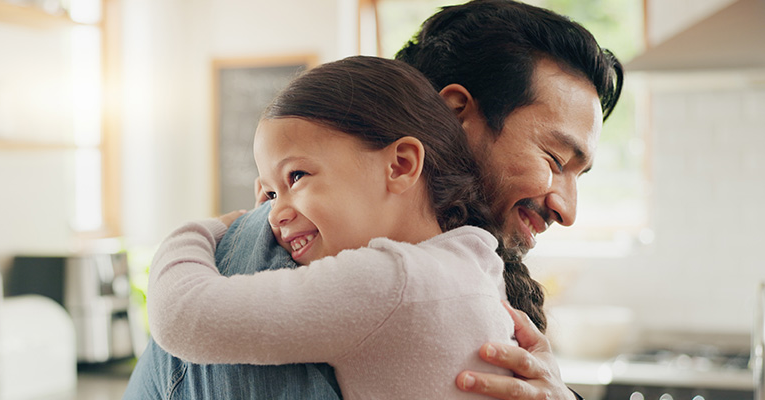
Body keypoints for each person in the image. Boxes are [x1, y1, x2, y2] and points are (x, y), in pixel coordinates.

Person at [124, 0, 623, 398]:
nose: (568, 209)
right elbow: (191, 317)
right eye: (555, 160)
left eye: (296, 178)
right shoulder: (281, 250)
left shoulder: (458, 267)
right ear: (454, 114)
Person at [147, 55, 529, 399]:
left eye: (296, 176)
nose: (272, 214)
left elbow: (183, 316)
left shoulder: (391, 281)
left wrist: (203, 229)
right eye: (268, 194)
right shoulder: (475, 261)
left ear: (400, 164)